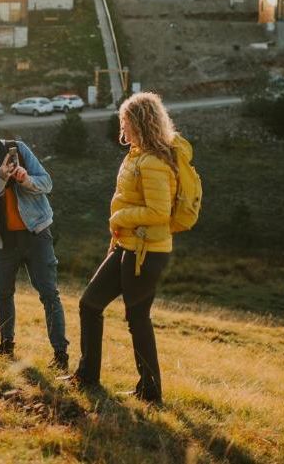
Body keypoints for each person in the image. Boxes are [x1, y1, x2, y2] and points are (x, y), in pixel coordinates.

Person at [68, 92, 188, 405]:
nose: (121, 125)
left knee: (137, 319)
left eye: (125, 120)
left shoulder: (153, 162)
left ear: (140, 122)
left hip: (147, 252)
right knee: (90, 304)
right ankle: (88, 376)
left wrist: (121, 216)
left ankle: (150, 392)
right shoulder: (136, 154)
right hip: (127, 245)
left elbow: (159, 212)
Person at [0, 107, 69, 370]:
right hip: (3, 240)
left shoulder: (18, 148)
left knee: (49, 294)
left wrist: (26, 179)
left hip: (36, 233)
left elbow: (48, 183)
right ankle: (6, 344)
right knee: (3, 294)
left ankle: (60, 354)